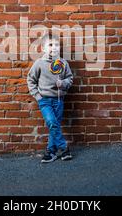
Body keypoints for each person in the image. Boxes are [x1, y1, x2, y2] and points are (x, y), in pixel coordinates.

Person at [27, 34, 74, 163]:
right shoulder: (39, 64)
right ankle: (64, 148)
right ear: (43, 48)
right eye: (50, 45)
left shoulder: (63, 64)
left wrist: (63, 83)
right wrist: (38, 97)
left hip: (59, 100)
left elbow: (70, 79)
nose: (54, 48)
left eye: (57, 45)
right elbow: (31, 80)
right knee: (52, 122)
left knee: (55, 126)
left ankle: (50, 152)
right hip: (45, 101)